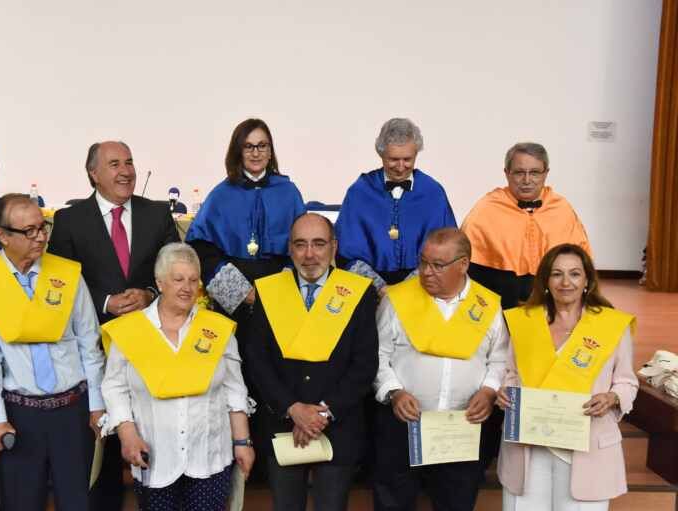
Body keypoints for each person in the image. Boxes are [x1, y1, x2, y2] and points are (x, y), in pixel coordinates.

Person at [47, 140, 180, 511]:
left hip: (150, 346)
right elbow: (61, 283)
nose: (125, 171)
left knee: (153, 440)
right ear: (93, 173)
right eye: (114, 164)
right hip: (95, 349)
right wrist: (104, 302)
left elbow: (175, 268)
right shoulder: (70, 221)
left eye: (130, 162)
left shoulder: (158, 214)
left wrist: (150, 294)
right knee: (102, 447)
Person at [0, 194, 105, 511]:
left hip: (73, 411)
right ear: (2, 235)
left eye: (43, 228)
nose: (40, 237)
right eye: (29, 231)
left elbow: (89, 344)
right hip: (20, 415)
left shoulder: (66, 274)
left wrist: (96, 406)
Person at [101, 243, 254, 511]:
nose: (187, 288)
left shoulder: (218, 329)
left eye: (194, 280)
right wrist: (127, 434)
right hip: (155, 457)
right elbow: (114, 388)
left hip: (210, 455)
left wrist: (242, 442)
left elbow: (235, 390)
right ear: (159, 283)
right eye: (178, 279)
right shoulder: (130, 330)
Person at [185, 118, 305, 479]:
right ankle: (233, 459)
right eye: (249, 146)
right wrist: (241, 292)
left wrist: (275, 291)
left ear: (271, 151)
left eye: (263, 146)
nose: (256, 153)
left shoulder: (288, 191)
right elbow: (201, 248)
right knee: (235, 373)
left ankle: (274, 465)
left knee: (275, 372)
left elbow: (301, 247)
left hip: (277, 291)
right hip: (233, 296)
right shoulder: (221, 195)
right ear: (238, 151)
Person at [247, 213, 378, 511]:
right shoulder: (268, 291)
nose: (310, 254)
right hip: (283, 425)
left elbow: (364, 365)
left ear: (334, 247)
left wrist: (321, 414)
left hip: (337, 426)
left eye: (319, 244)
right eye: (300, 245)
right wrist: (293, 409)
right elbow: (256, 359)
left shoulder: (359, 292)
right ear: (289, 249)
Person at [372, 228, 507, 511]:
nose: (426, 272)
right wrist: (393, 392)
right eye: (423, 263)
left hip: (462, 427)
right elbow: (377, 355)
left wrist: (488, 392)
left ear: (463, 264)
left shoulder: (488, 305)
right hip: (402, 426)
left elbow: (499, 359)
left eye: (438, 265)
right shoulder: (397, 300)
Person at [497, 243, 637, 511]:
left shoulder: (612, 325)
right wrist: (505, 394)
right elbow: (511, 373)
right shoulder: (525, 322)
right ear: (545, 280)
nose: (566, 282)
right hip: (529, 446)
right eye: (557, 274)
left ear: (587, 280)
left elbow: (627, 381)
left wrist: (612, 397)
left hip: (587, 443)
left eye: (574, 274)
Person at [462, 142, 592, 310]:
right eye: (519, 173)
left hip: (554, 302)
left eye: (535, 173)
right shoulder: (485, 210)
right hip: (500, 302)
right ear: (507, 173)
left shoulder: (562, 209)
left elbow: (583, 263)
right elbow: (467, 266)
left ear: (546, 174)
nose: (527, 180)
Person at [335, 117, 456, 292]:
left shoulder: (434, 193)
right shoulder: (359, 191)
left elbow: (447, 249)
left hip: (423, 288)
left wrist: (408, 289)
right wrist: (379, 289)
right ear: (381, 154)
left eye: (407, 159)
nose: (400, 167)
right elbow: (347, 253)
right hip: (368, 290)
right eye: (393, 159)